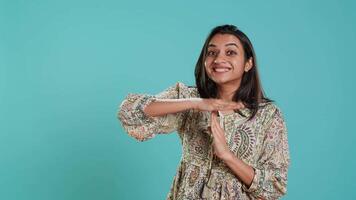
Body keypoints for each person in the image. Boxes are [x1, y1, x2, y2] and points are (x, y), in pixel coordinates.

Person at [117, 24, 290, 200]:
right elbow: (129, 112)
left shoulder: (268, 115)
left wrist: (227, 155)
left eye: (230, 52)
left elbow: (273, 187)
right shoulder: (188, 99)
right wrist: (196, 103)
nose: (218, 59)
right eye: (212, 52)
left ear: (248, 63)